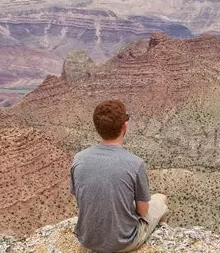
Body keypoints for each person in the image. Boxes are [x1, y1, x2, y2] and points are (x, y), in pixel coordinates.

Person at [70, 99, 169, 252]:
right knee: (161, 199)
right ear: (125, 126)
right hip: (123, 243)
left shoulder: (78, 159)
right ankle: (163, 241)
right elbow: (142, 211)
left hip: (87, 240)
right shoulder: (135, 163)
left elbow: (82, 197)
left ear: (97, 127)